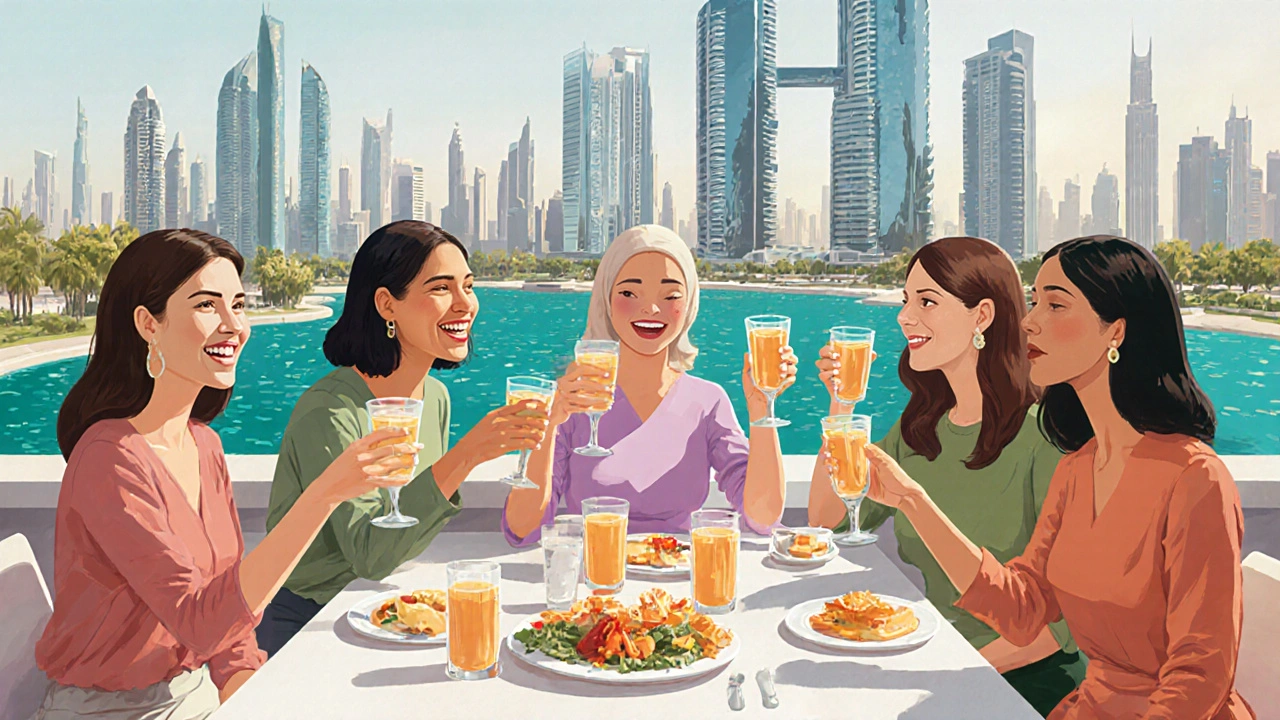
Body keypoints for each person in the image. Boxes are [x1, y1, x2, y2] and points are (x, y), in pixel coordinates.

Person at [34, 230, 418, 719]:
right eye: (206, 306)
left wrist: (251, 693)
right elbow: (200, 624)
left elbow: (229, 627)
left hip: (196, 698)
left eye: (239, 304)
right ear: (148, 323)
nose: (233, 326)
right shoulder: (109, 459)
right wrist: (324, 495)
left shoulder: (205, 446)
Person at [865, 236, 1254, 719]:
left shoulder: (1196, 479)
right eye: (1033, 302)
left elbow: (1201, 676)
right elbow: (1024, 608)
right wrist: (912, 501)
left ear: (1115, 332)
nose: (1029, 322)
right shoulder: (1077, 468)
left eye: (1054, 304)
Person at [808, 236, 1084, 715]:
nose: (904, 317)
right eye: (905, 301)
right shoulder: (922, 427)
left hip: (1024, 684)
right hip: (931, 661)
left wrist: (935, 684)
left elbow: (1061, 627)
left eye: (926, 302)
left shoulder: (1047, 436)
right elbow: (830, 521)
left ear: (981, 316)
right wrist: (843, 405)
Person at [257, 221, 549, 656]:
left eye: (468, 286)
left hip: (385, 613)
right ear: (386, 304)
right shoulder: (331, 412)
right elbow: (370, 556)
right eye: (441, 288)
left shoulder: (436, 397)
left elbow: (397, 539)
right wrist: (467, 455)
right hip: (305, 625)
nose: (465, 304)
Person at [503, 224, 797, 544]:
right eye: (629, 293)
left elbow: (764, 517)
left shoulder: (707, 401)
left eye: (670, 295)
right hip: (595, 578)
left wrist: (761, 405)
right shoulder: (573, 400)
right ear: (606, 298)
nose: (651, 309)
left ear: (688, 306)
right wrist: (549, 426)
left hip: (681, 578)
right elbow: (522, 528)